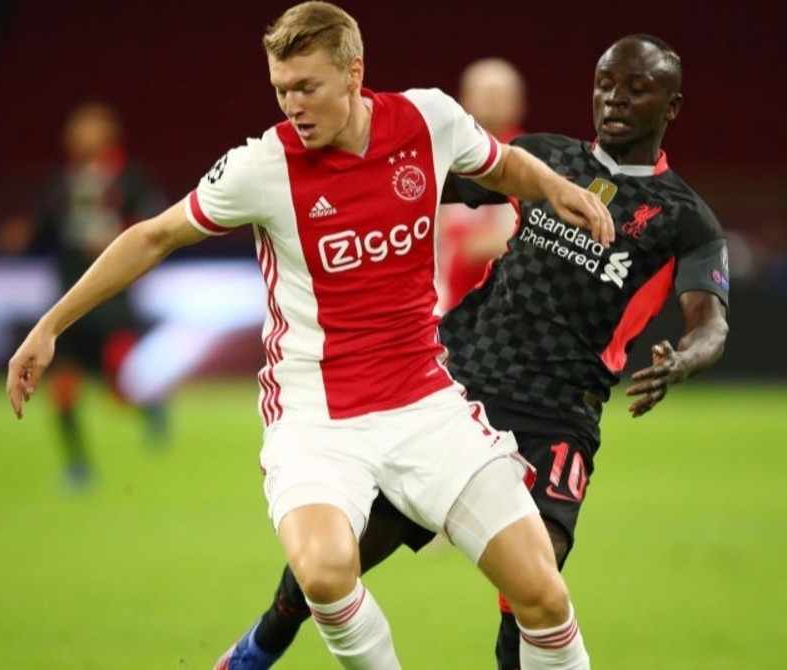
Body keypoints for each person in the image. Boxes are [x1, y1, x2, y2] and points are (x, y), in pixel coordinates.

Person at [6, 3, 612, 668]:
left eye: (306, 87)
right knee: (324, 574)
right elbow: (153, 236)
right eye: (281, 89)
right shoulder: (262, 167)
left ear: (354, 73)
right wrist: (50, 325)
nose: (292, 105)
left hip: (426, 404)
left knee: (542, 594)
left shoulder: (428, 119)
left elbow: (500, 164)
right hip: (316, 419)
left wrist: (555, 188)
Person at [217, 33, 730, 670]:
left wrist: (685, 358)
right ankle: (263, 643)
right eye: (605, 84)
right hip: (455, 385)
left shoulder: (685, 216)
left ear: (672, 106)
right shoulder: (544, 157)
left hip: (558, 412)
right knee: (338, 555)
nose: (615, 99)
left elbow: (710, 321)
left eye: (637, 89)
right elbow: (419, 183)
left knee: (536, 580)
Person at [0, 102, 168, 488]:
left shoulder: (129, 179)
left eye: (88, 130)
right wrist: (23, 234)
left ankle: (148, 405)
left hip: (112, 298)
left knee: (120, 378)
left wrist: (118, 240)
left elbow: (154, 223)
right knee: (62, 386)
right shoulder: (63, 183)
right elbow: (44, 224)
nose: (79, 138)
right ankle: (78, 464)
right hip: (69, 298)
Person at [436, 58, 527, 314]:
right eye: (485, 93)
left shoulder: (532, 161)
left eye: (499, 94)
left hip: (506, 299)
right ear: (463, 100)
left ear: (518, 103)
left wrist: (470, 245)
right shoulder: (444, 153)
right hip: (447, 296)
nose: (491, 101)